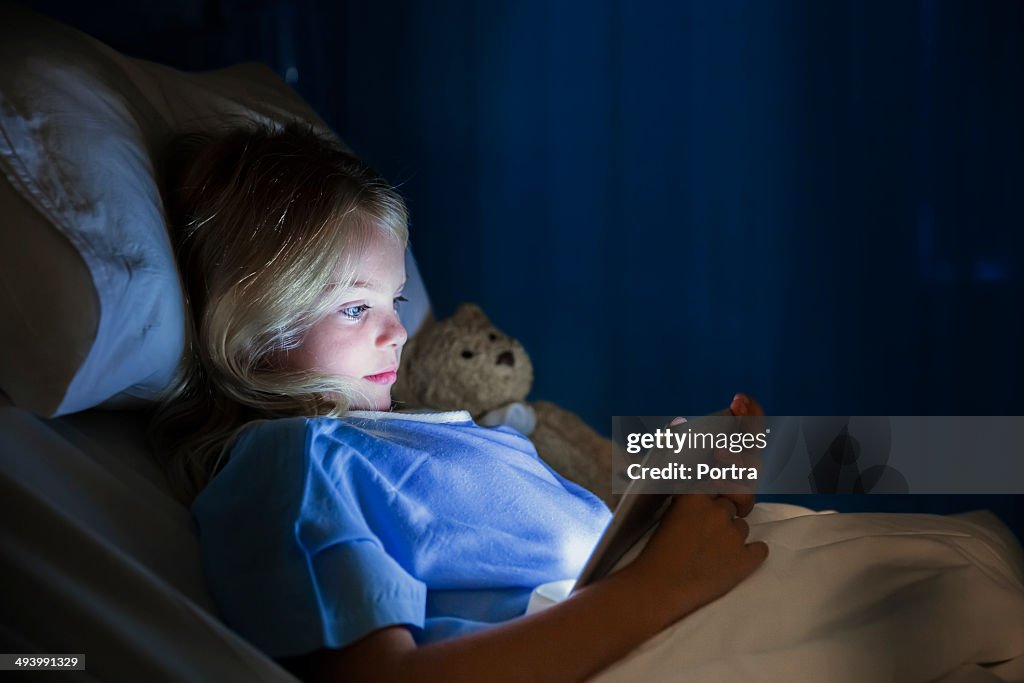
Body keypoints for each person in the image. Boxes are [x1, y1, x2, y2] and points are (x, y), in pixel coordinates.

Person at [150, 121, 769, 683]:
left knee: (843, 464)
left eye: (396, 301)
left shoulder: (409, 437)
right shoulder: (293, 462)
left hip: (680, 601)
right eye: (355, 307)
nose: (397, 334)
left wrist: (678, 498)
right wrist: (658, 587)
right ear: (254, 328)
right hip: (653, 629)